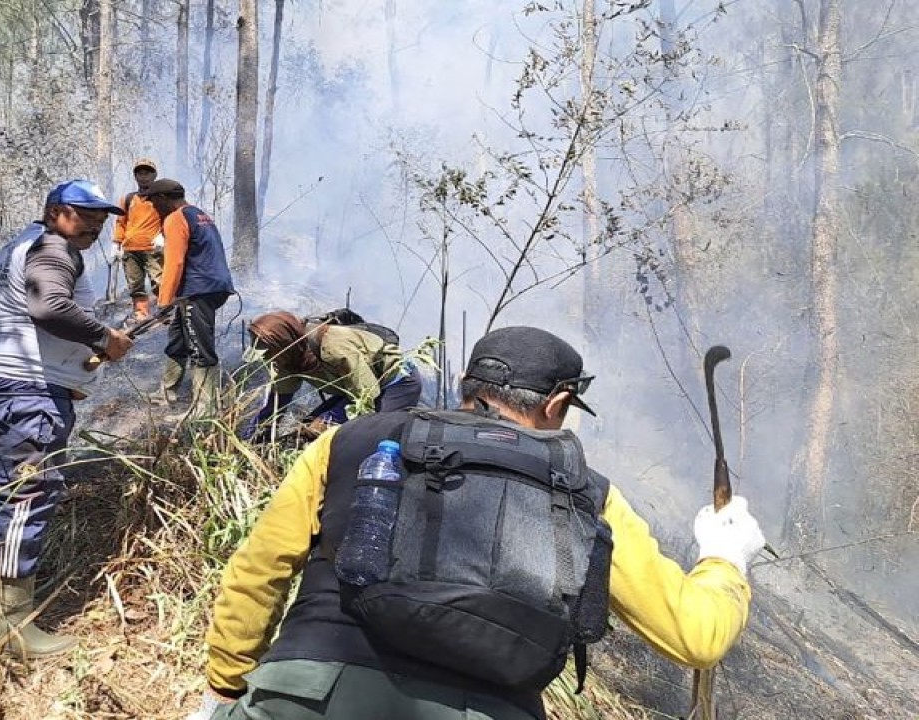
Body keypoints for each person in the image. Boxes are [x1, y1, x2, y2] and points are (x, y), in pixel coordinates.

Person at [186, 325, 768, 720]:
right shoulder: (589, 493)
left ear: (468, 387)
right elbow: (696, 637)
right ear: (557, 404)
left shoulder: (350, 441)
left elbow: (259, 570)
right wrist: (725, 556)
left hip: (309, 692)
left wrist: (228, 686)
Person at [0, 179, 134, 659]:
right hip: (25, 390)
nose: (95, 226)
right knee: (27, 497)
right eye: (84, 215)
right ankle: (10, 629)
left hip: (9, 383)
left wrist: (55, 369)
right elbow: (49, 306)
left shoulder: (14, 248)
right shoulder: (54, 247)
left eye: (101, 219)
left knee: (11, 496)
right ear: (55, 212)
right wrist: (106, 339)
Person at [241, 310, 422, 443]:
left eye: (268, 352)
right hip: (355, 388)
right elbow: (275, 406)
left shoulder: (333, 347)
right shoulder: (288, 358)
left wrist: (327, 421)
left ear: (283, 342)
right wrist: (250, 439)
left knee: (356, 437)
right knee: (305, 431)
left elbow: (367, 397)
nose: (266, 359)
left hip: (396, 383)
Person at [141, 178, 235, 416]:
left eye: (153, 202)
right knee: (178, 338)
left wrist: (164, 301)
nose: (153, 207)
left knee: (199, 347)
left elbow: (175, 262)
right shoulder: (199, 214)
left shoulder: (175, 218)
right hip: (213, 285)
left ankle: (205, 408)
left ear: (163, 198)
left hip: (198, 290)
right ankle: (167, 391)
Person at [113, 158, 164, 322]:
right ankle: (141, 313)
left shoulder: (161, 198)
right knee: (135, 284)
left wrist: (163, 235)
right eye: (140, 173)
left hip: (153, 248)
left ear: (154, 175)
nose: (144, 177)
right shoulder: (129, 199)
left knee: (159, 281)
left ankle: (165, 310)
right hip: (130, 249)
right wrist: (116, 243)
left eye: (147, 173)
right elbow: (121, 222)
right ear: (135, 176)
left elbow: (170, 219)